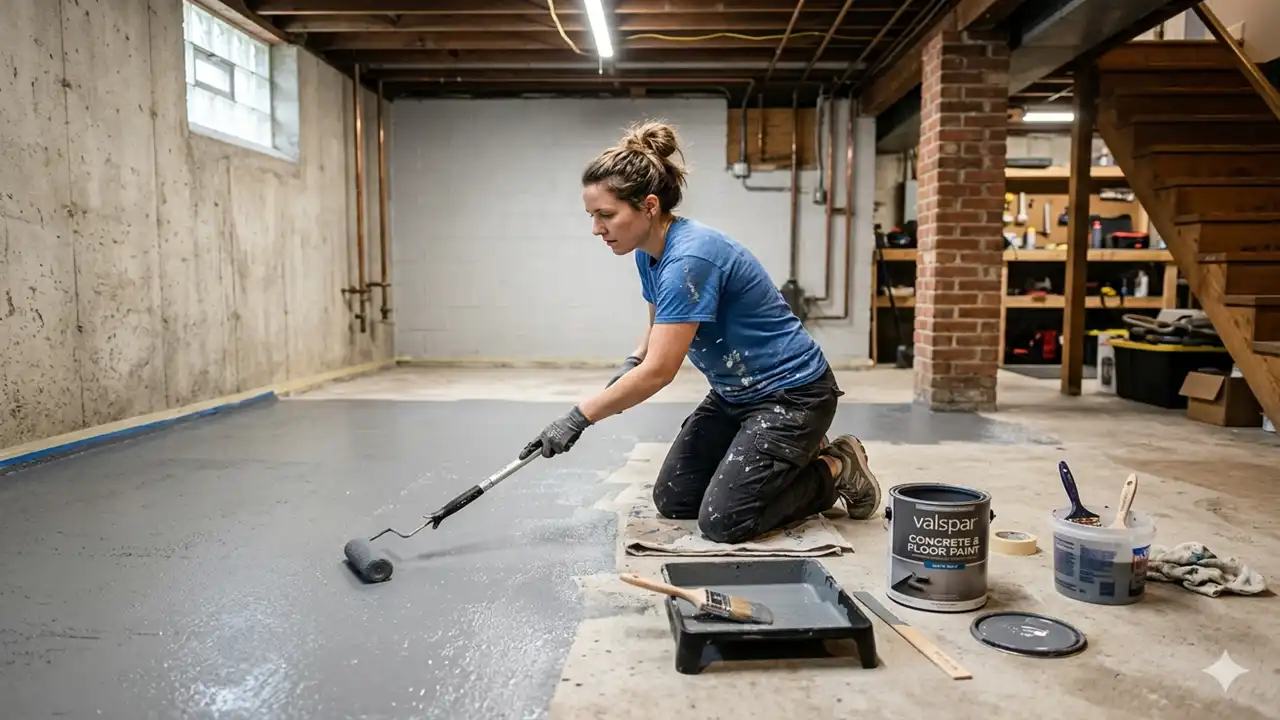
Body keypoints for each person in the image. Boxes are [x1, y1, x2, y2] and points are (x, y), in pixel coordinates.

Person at [520, 120, 881, 544]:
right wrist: (632, 361)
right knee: (675, 498)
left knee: (725, 522)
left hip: (792, 396)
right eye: (592, 216)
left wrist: (577, 418)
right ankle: (785, 457)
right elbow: (657, 329)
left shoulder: (690, 258)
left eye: (606, 215)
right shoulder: (649, 252)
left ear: (649, 206)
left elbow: (660, 372)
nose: (596, 228)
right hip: (734, 395)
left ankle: (835, 465)